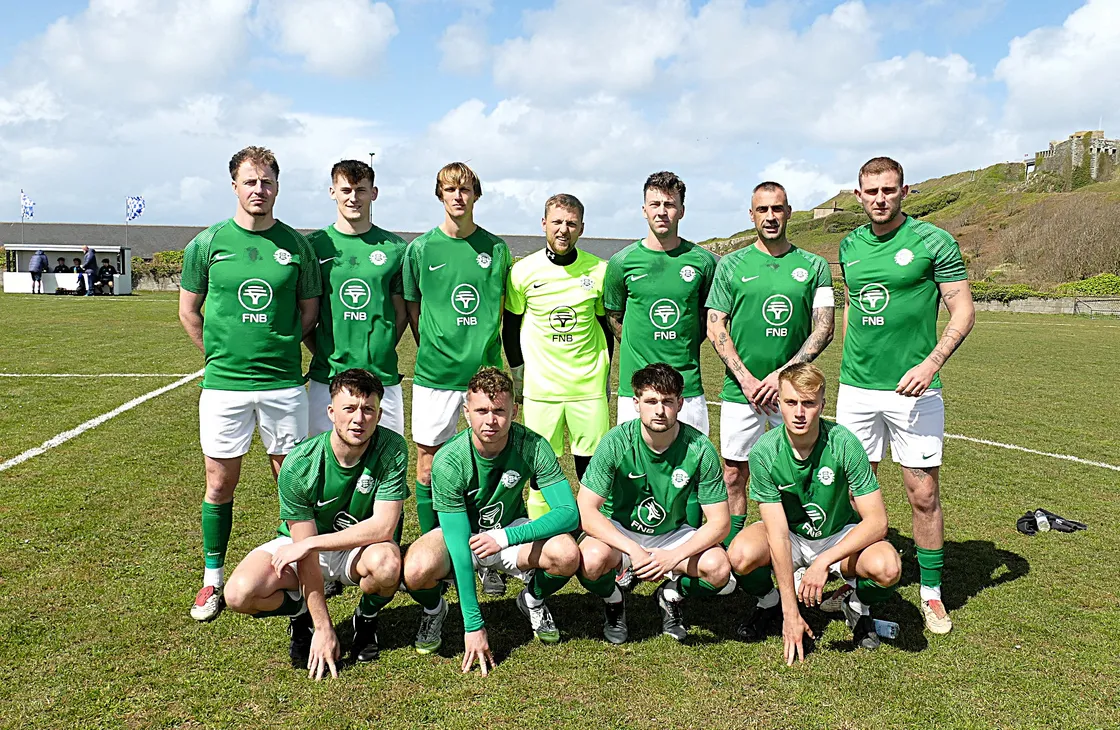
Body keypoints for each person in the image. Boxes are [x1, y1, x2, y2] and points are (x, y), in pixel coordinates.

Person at [179, 145, 322, 623]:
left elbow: (308, 314)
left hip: (283, 383)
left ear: (277, 187)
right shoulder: (208, 243)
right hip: (224, 386)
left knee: (291, 481)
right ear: (235, 186)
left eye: (266, 182)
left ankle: (299, 571)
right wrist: (220, 356)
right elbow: (189, 311)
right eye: (249, 181)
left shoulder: (296, 246)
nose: (258, 189)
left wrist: (276, 348)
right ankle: (212, 579)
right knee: (220, 482)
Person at [834, 156, 974, 635]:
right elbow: (854, 309)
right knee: (853, 491)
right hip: (856, 390)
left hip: (915, 392)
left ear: (904, 191)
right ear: (858, 195)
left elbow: (962, 311)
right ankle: (852, 583)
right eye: (871, 192)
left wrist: (930, 363)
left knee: (923, 492)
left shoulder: (934, 241)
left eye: (889, 191)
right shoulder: (848, 245)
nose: (880, 199)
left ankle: (931, 593)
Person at [224, 369, 407, 677]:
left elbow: (383, 528)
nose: (358, 419)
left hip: (356, 546)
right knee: (239, 594)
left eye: (368, 409)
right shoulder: (299, 464)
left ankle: (365, 617)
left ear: (379, 413)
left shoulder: (392, 447)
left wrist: (312, 543)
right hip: (303, 546)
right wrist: (323, 626)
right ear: (331, 412)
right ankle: (300, 613)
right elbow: (303, 551)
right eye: (349, 409)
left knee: (387, 564)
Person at [401, 367, 580, 674]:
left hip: (509, 532)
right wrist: (473, 625)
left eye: (499, 410)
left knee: (566, 554)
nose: (491, 420)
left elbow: (569, 513)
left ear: (515, 411)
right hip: (464, 537)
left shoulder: (533, 446)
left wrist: (506, 537)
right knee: (416, 570)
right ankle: (435, 609)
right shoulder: (450, 460)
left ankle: (532, 600)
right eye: (481, 410)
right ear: (466, 411)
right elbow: (458, 545)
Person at [728, 363, 901, 662]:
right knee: (740, 556)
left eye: (808, 403)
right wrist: (790, 613)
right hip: (792, 535)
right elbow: (778, 535)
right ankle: (769, 603)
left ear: (822, 404)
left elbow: (877, 522)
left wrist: (823, 562)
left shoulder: (844, 442)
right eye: (791, 402)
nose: (799, 413)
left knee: (888, 567)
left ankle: (858, 606)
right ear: (778, 402)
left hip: (837, 535)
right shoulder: (764, 452)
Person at [706, 181, 834, 551]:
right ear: (751, 215)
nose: (771, 217)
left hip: (794, 394)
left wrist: (782, 377)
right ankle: (734, 552)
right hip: (740, 391)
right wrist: (747, 379)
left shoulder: (814, 265)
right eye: (763, 210)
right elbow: (717, 325)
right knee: (733, 474)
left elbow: (824, 328)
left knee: (800, 471)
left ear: (789, 212)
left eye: (777, 209)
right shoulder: (731, 264)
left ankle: (804, 547)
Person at [402, 162, 511, 594]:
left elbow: (504, 308)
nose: (458, 196)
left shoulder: (496, 249)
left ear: (476, 195)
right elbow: (412, 310)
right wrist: (437, 346)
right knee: (428, 467)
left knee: (485, 468)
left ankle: (484, 558)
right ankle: (441, 554)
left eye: (465, 189)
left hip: (484, 380)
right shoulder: (421, 249)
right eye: (450, 189)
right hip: (434, 378)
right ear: (439, 195)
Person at [576, 363, 734, 644]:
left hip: (673, 534)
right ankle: (614, 600)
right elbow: (587, 511)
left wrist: (674, 557)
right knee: (590, 560)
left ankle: (671, 594)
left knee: (719, 569)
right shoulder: (615, 442)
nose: (659, 410)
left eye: (667, 402)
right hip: (621, 530)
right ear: (636, 404)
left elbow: (720, 523)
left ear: (680, 403)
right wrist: (633, 551)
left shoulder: (699, 447)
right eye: (651, 401)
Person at [503, 193, 612, 484]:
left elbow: (605, 328)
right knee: (541, 471)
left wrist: (606, 376)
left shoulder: (600, 271)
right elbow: (510, 329)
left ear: (582, 228)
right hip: (542, 390)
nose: (564, 229)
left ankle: (592, 529)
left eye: (571, 223)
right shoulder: (522, 271)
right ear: (544, 224)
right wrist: (518, 377)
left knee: (594, 472)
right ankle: (542, 528)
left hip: (587, 388)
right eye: (557, 222)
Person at [305, 160, 409, 438]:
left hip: (382, 377)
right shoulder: (314, 246)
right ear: (332, 192)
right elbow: (305, 312)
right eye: (346, 189)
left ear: (374, 193)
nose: (353, 198)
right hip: (327, 377)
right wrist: (325, 352)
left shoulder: (396, 248)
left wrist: (380, 346)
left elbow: (401, 315)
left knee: (385, 465)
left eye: (361, 190)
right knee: (324, 465)